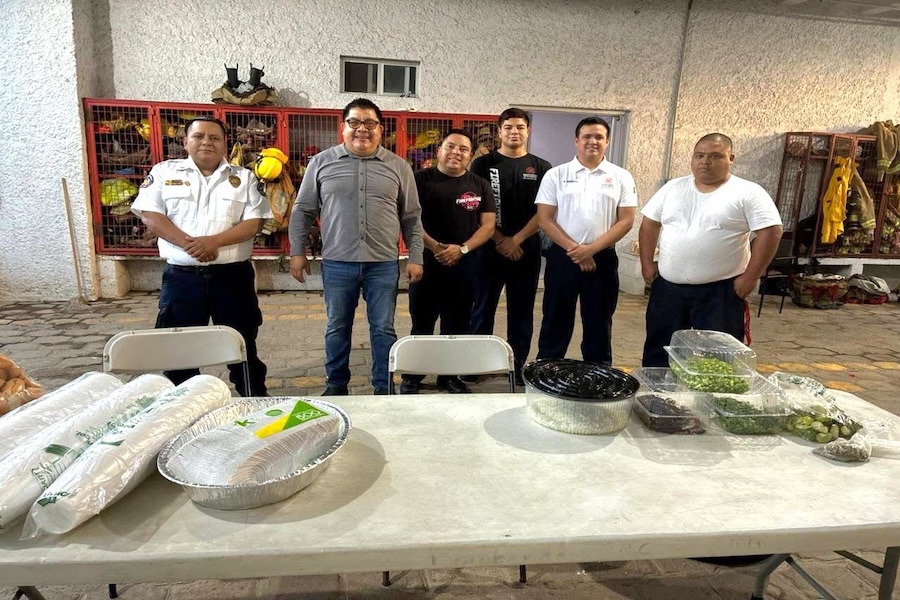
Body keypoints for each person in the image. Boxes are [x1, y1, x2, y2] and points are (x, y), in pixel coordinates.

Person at [289, 98, 424, 396]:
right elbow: (303, 210)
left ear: (380, 129)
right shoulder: (321, 163)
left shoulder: (399, 167)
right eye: (354, 122)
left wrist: (416, 256)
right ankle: (336, 385)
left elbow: (412, 217)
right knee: (337, 326)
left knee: (383, 328)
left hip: (383, 264)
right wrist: (297, 251)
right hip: (337, 263)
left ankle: (383, 387)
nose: (362, 128)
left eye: (370, 123)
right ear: (343, 127)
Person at [131, 116, 271, 396]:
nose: (206, 142)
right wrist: (190, 245)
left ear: (224, 144)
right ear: (185, 142)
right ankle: (183, 402)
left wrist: (213, 242)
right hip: (182, 279)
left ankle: (254, 399)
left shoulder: (243, 178)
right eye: (198, 136)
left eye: (214, 138)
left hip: (232, 278)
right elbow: (151, 216)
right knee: (178, 346)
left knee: (241, 343)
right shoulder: (164, 172)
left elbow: (254, 222)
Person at [639, 133, 783, 367]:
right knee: (659, 351)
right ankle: (657, 390)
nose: (705, 162)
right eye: (700, 155)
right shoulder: (673, 187)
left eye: (715, 156)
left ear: (731, 158)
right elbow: (649, 223)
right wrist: (646, 263)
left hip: (720, 293)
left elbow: (771, 232)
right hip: (668, 290)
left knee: (719, 358)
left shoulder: (748, 192)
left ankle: (714, 392)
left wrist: (750, 277)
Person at [400, 129, 496, 395]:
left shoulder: (479, 184)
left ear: (470, 155)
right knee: (422, 321)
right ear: (439, 150)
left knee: (457, 323)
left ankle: (449, 376)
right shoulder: (420, 179)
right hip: (426, 262)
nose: (456, 152)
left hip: (465, 265)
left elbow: (488, 225)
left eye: (463, 149)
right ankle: (413, 376)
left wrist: (462, 249)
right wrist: (436, 247)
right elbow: (410, 220)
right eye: (451, 146)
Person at [535, 116, 637, 365]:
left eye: (599, 137)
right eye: (587, 136)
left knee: (599, 320)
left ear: (607, 141)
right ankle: (548, 370)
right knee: (555, 318)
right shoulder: (556, 174)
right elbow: (544, 219)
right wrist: (577, 250)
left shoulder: (621, 176)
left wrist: (591, 249)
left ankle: (599, 371)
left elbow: (626, 220)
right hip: (563, 257)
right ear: (576, 140)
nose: (593, 141)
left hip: (602, 258)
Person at [468, 108, 551, 384]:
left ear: (528, 131)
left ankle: (516, 367)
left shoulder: (542, 167)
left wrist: (516, 240)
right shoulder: (482, 165)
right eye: (508, 127)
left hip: (526, 251)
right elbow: (476, 208)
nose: (514, 132)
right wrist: (500, 239)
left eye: (520, 127)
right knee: (482, 309)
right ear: (499, 131)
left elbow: (544, 211)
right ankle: (476, 366)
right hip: (488, 249)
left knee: (521, 312)